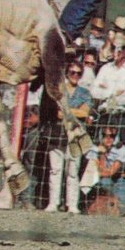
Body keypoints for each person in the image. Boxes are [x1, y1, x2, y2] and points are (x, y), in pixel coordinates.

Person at [44, 60, 93, 214]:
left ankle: (72, 204)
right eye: (72, 72)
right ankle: (53, 202)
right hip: (57, 134)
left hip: (75, 136)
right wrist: (75, 112)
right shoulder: (58, 89)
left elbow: (85, 113)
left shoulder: (84, 92)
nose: (75, 76)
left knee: (73, 171)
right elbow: (56, 112)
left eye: (78, 73)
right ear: (67, 73)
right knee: (55, 170)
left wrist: (67, 111)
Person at [86, 125, 125, 215]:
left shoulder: (121, 148)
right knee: (104, 183)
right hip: (102, 181)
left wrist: (100, 168)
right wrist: (101, 153)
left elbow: (110, 172)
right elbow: (93, 170)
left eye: (112, 136)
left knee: (123, 205)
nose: (108, 139)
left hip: (119, 179)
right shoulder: (94, 149)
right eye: (104, 135)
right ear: (100, 136)